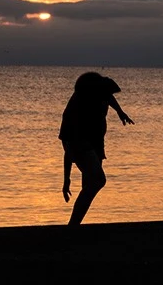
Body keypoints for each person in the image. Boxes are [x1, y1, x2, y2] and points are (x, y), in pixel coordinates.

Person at [59, 71, 134, 225]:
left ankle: (75, 224)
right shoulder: (79, 107)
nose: (107, 98)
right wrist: (66, 180)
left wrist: (120, 112)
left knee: (89, 184)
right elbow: (69, 148)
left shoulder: (99, 92)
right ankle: (72, 225)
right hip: (79, 142)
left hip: (94, 141)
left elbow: (109, 97)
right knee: (98, 180)